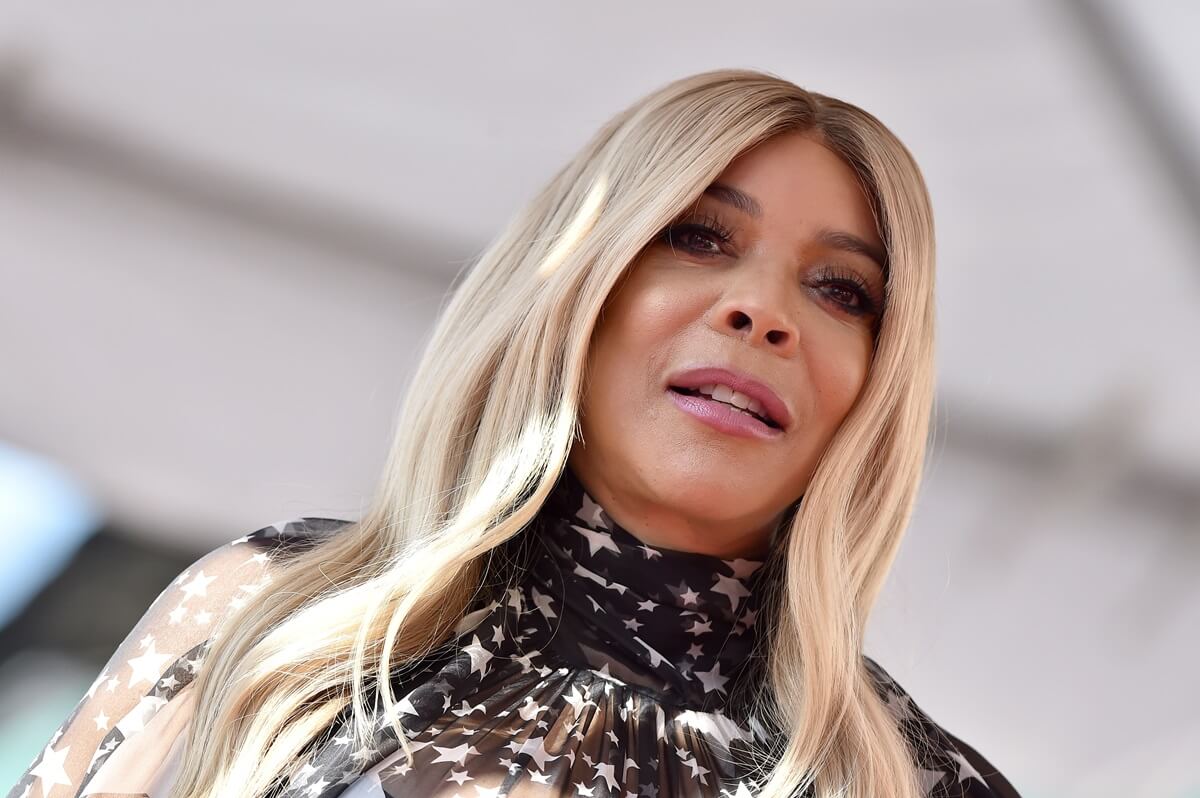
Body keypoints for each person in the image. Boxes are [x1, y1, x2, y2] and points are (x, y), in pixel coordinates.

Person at [8, 69, 1023, 798]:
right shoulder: (274, 620)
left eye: (842, 289)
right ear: (578, 283)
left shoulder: (920, 786)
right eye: (698, 235)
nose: (763, 311)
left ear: (878, 386)